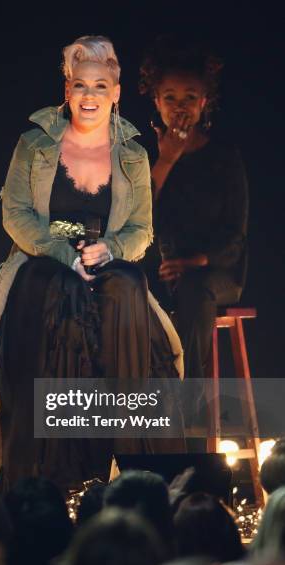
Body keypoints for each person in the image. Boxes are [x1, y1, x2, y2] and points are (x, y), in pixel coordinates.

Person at [0, 35, 184, 495]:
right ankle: (47, 470)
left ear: (115, 93)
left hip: (106, 254)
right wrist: (65, 253)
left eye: (100, 86)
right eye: (81, 85)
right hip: (43, 254)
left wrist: (111, 251)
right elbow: (15, 213)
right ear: (67, 90)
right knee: (55, 288)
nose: (89, 96)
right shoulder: (34, 144)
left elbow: (141, 229)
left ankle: (128, 464)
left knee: (126, 285)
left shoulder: (134, 154)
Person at [139, 37, 249, 423]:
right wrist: (166, 159)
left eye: (189, 97)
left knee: (193, 292)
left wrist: (192, 262)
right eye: (170, 97)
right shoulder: (147, 160)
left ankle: (189, 414)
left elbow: (234, 239)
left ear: (204, 102)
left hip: (213, 274)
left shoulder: (224, 159)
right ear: (156, 102)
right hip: (163, 272)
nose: (179, 107)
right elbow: (137, 217)